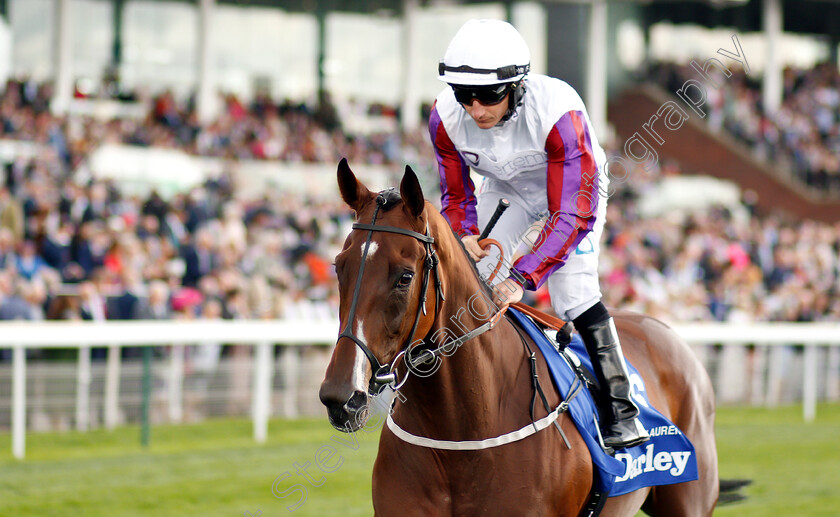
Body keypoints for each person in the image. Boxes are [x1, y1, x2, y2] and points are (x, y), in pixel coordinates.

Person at [429, 19, 648, 449]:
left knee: (574, 293)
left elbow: (570, 213)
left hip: (573, 198)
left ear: (517, 85)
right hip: (507, 191)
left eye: (489, 95)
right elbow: (456, 196)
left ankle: (621, 409)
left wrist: (523, 278)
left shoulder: (559, 111)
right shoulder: (443, 117)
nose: (475, 109)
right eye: (463, 95)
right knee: (476, 280)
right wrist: (464, 234)